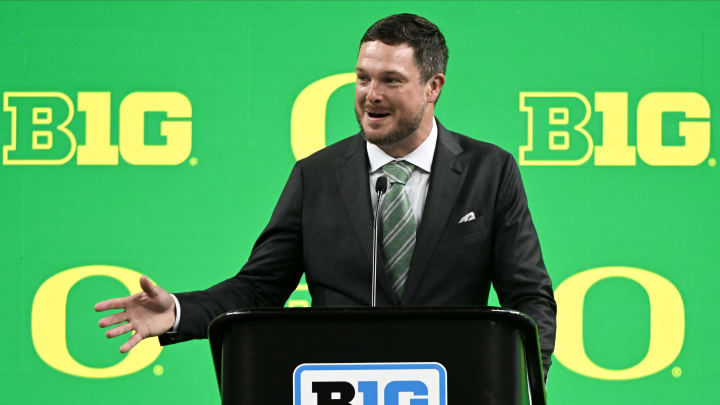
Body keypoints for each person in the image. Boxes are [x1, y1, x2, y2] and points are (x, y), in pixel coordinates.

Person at [96, 13, 557, 377]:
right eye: (362, 78)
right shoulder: (315, 176)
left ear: (433, 87)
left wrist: (520, 387)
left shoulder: (488, 171)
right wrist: (178, 311)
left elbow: (530, 297)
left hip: (456, 386)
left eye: (391, 81)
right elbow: (258, 289)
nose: (370, 95)